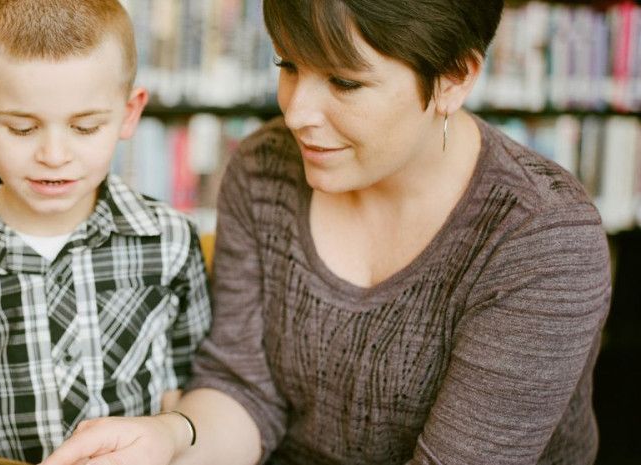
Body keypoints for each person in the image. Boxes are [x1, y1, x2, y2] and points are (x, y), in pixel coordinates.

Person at [41, 0, 612, 464]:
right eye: (288, 66)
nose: (295, 113)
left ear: (453, 79)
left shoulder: (541, 238)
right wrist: (170, 437)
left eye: (343, 82)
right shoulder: (264, 168)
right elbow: (244, 391)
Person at [0, 1, 212, 462]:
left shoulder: (170, 241)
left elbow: (197, 385)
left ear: (129, 114)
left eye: (85, 127)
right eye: (23, 128)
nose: (53, 154)